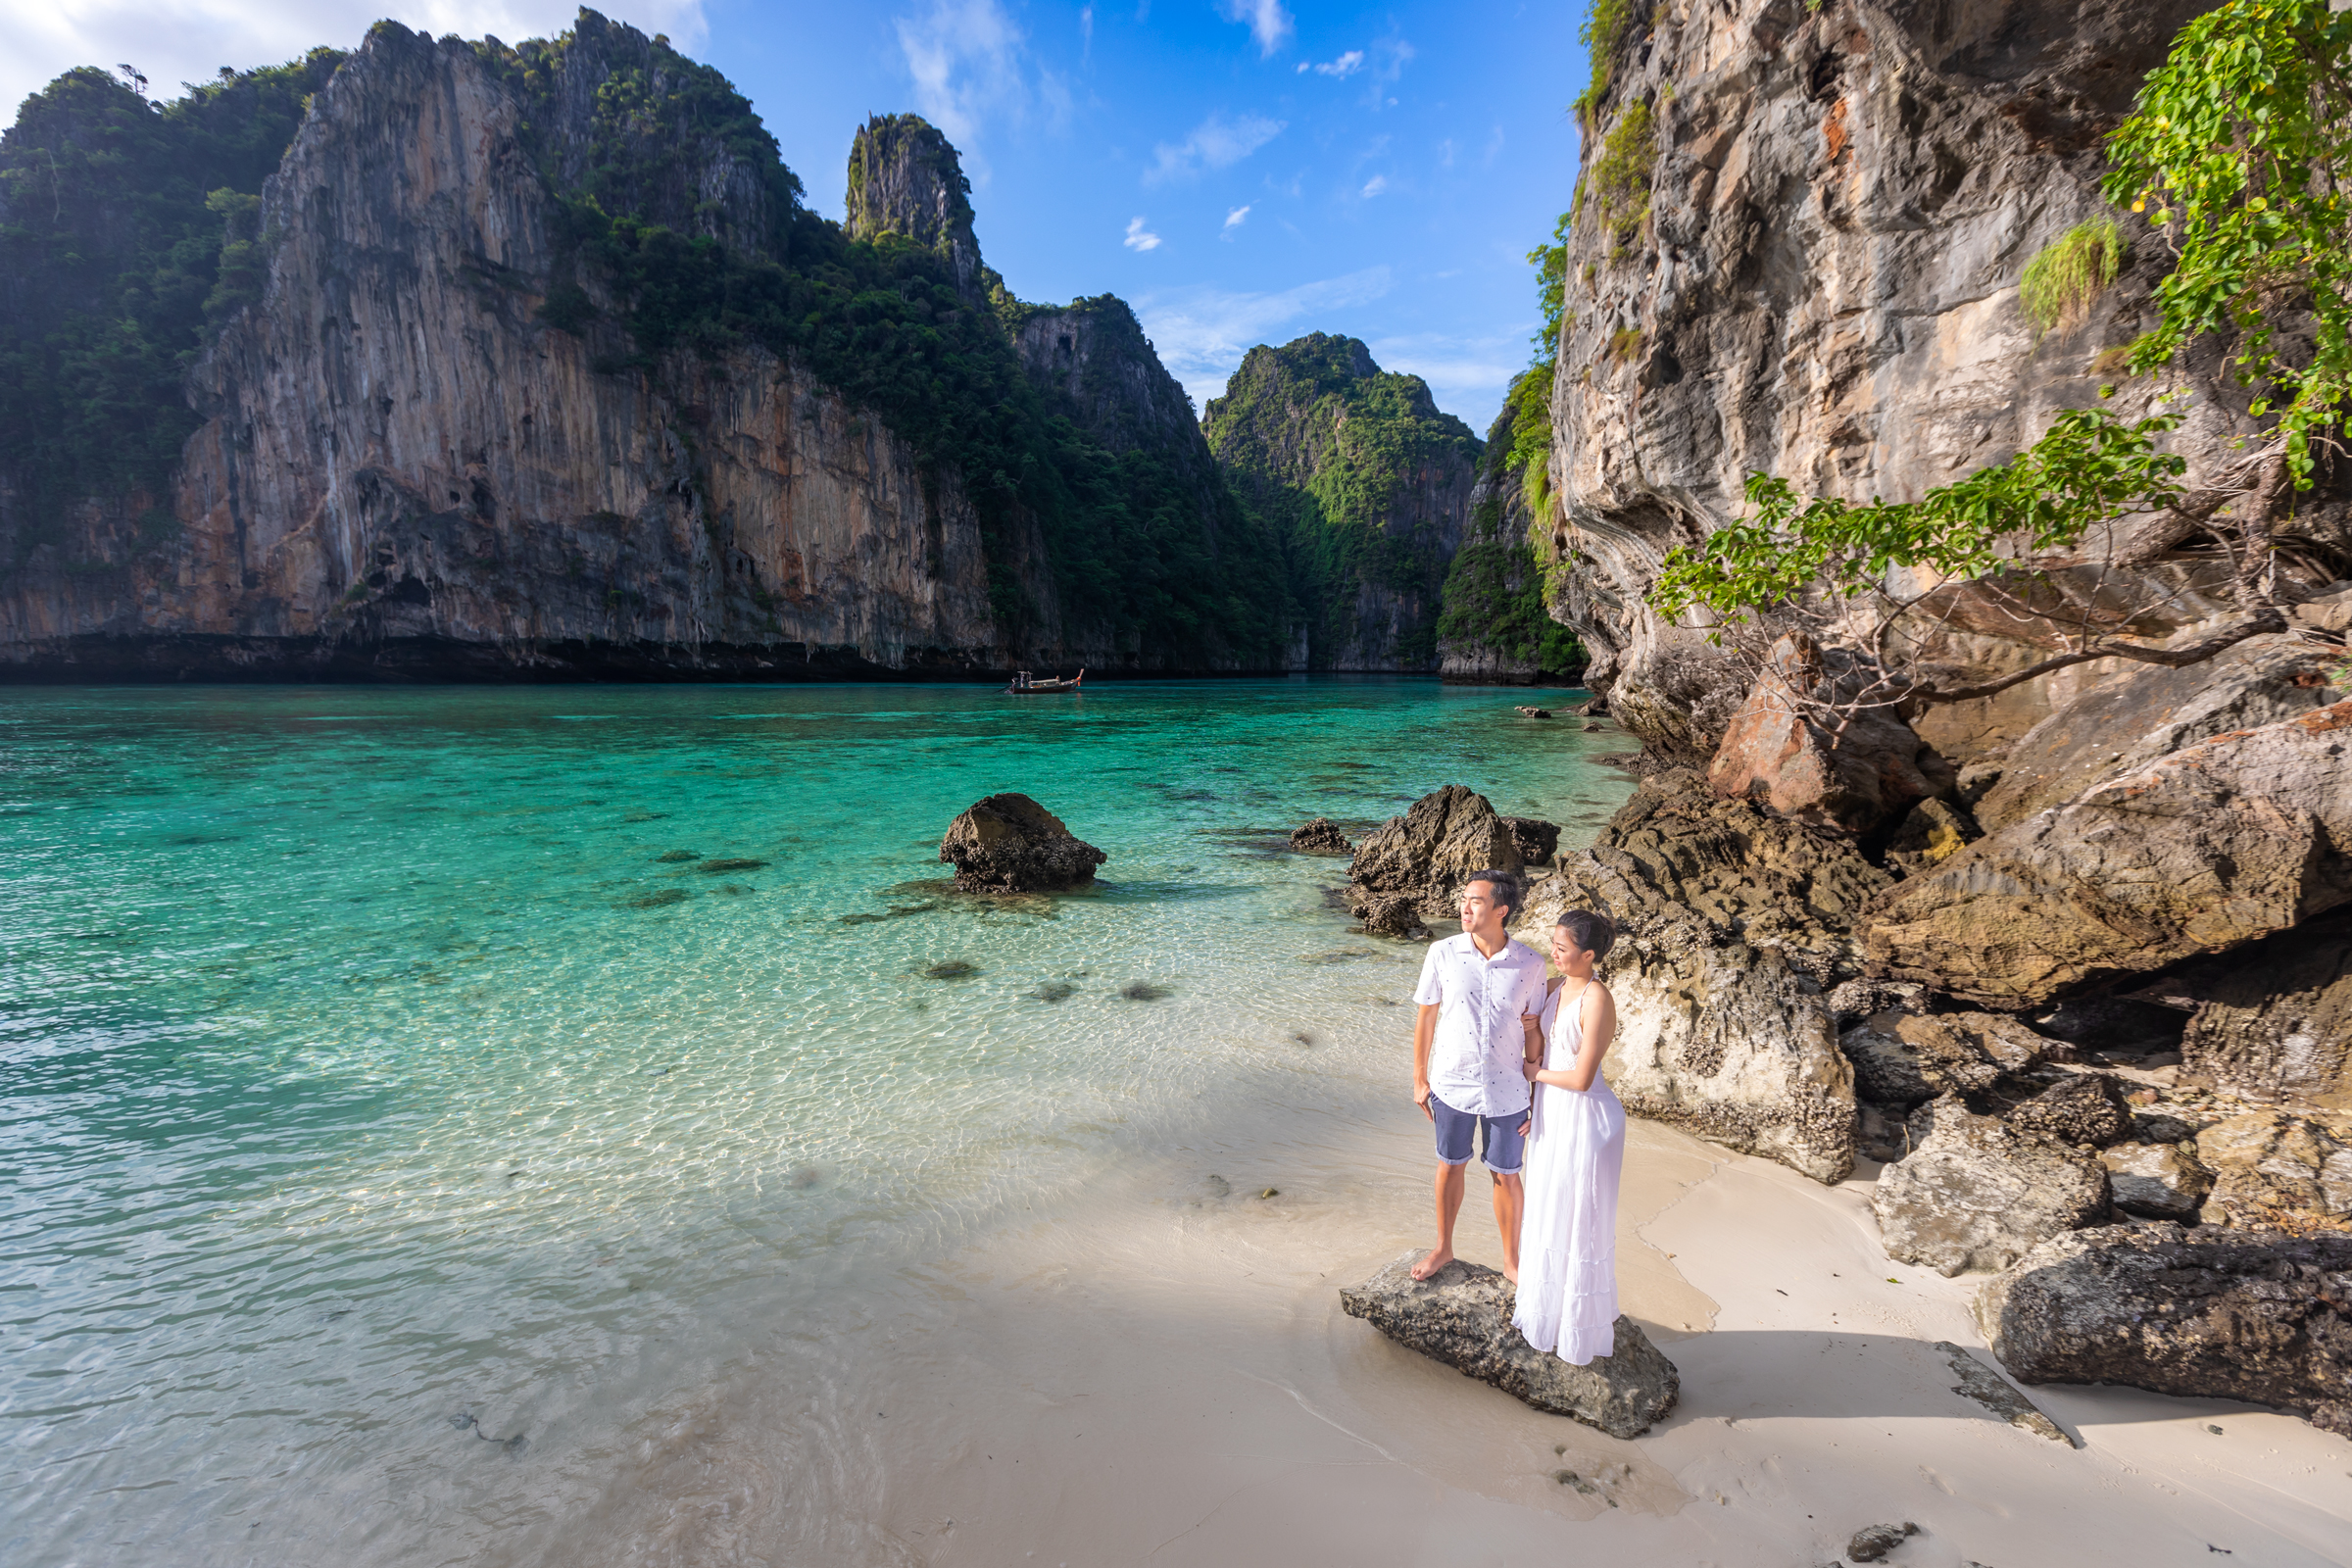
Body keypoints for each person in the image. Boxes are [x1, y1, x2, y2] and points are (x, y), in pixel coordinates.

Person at [1408, 870, 1550, 1282]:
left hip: (1508, 1090)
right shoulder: (1442, 952)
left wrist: (1538, 1096)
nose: (1464, 907)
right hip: (1451, 1082)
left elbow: (1535, 1031)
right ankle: (1443, 1248)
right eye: (1464, 899)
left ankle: (1512, 1262)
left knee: (1507, 1173)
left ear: (1501, 910)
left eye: (1475, 901)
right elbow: (1426, 1016)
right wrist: (1419, 1077)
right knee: (1449, 1165)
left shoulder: (1531, 964)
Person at [1511, 909, 1626, 1365]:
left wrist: (1535, 1075)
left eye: (1563, 948)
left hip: (1587, 1122)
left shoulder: (1597, 999)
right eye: (1553, 944)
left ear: (1590, 954)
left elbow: (1580, 1078)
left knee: (1578, 1219)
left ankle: (1576, 1327)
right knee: (1548, 1209)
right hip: (1552, 1116)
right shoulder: (1558, 989)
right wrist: (1531, 1105)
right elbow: (1543, 1045)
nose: (1553, 954)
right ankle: (1546, 1312)